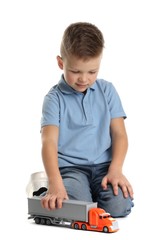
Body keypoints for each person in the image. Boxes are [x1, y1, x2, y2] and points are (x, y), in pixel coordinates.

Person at [40, 22, 134, 217]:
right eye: (75, 71)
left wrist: (116, 169)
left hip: (104, 168)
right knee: (75, 207)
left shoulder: (107, 90)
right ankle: (57, 189)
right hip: (70, 169)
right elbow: (48, 141)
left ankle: (95, 195)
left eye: (92, 72)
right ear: (61, 63)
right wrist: (55, 183)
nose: (84, 79)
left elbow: (119, 134)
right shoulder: (54, 99)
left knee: (119, 206)